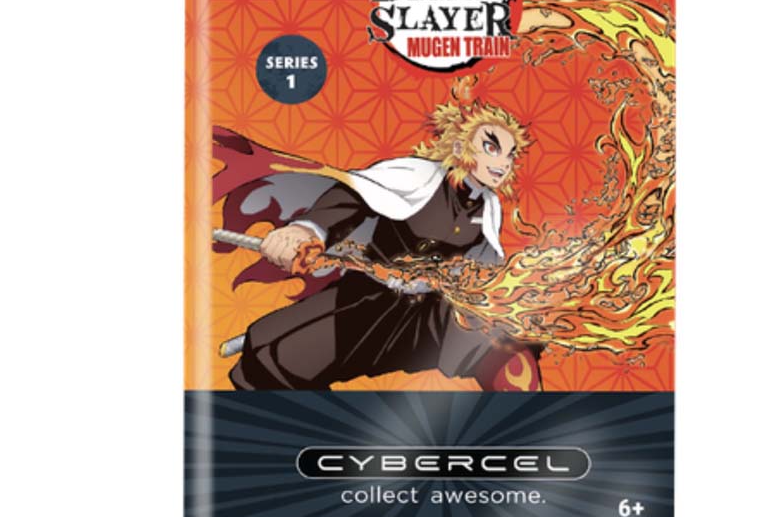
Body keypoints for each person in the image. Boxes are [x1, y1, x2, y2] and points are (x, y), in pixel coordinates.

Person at [213, 99, 542, 391]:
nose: (504, 162)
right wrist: (305, 230)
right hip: (368, 301)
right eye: (491, 147)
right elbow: (350, 198)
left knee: (505, 338)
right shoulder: (415, 176)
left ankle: (523, 423)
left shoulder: (489, 208)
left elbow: (484, 272)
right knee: (272, 356)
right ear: (460, 147)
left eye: (510, 154)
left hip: (429, 316)